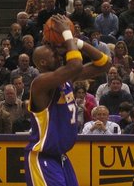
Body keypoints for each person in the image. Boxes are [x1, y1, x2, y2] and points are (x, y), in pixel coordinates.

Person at [24, 14, 111, 186]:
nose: (59, 55)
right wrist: (66, 33)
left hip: (61, 158)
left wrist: (78, 42)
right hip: (42, 158)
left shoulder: (66, 79)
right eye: (53, 55)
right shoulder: (40, 83)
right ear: (42, 62)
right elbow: (75, 65)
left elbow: (105, 64)